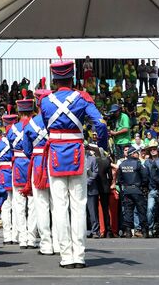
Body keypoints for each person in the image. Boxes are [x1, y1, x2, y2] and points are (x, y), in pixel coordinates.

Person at [39, 51, 108, 269]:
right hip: (77, 153)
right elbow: (102, 124)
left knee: (59, 207)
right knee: (78, 206)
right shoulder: (82, 98)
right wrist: (103, 146)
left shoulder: (45, 101)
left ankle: (66, 256)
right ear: (72, 77)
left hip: (56, 155)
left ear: (55, 79)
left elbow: (45, 125)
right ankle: (79, 255)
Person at [21, 83, 58, 255]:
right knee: (57, 205)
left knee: (41, 205)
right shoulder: (56, 118)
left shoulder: (30, 124)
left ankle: (46, 244)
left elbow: (27, 149)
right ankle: (59, 243)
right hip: (56, 162)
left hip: (37, 164)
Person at [6, 94, 37, 249]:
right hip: (33, 164)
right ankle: (32, 239)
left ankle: (22, 239)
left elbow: (11, 144)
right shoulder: (35, 124)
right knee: (33, 204)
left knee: (18, 205)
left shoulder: (12, 128)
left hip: (18, 165)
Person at [0, 109, 18, 245]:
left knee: (7, 205)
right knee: (17, 205)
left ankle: (8, 236)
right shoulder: (18, 137)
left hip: (4, 172)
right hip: (17, 170)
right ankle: (16, 235)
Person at [117, 148, 149, 238]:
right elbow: (145, 176)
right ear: (132, 154)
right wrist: (142, 186)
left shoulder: (122, 164)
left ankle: (128, 232)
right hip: (137, 190)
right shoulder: (138, 163)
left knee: (128, 211)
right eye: (136, 152)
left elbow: (119, 179)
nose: (137, 154)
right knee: (141, 210)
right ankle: (144, 231)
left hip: (127, 190)